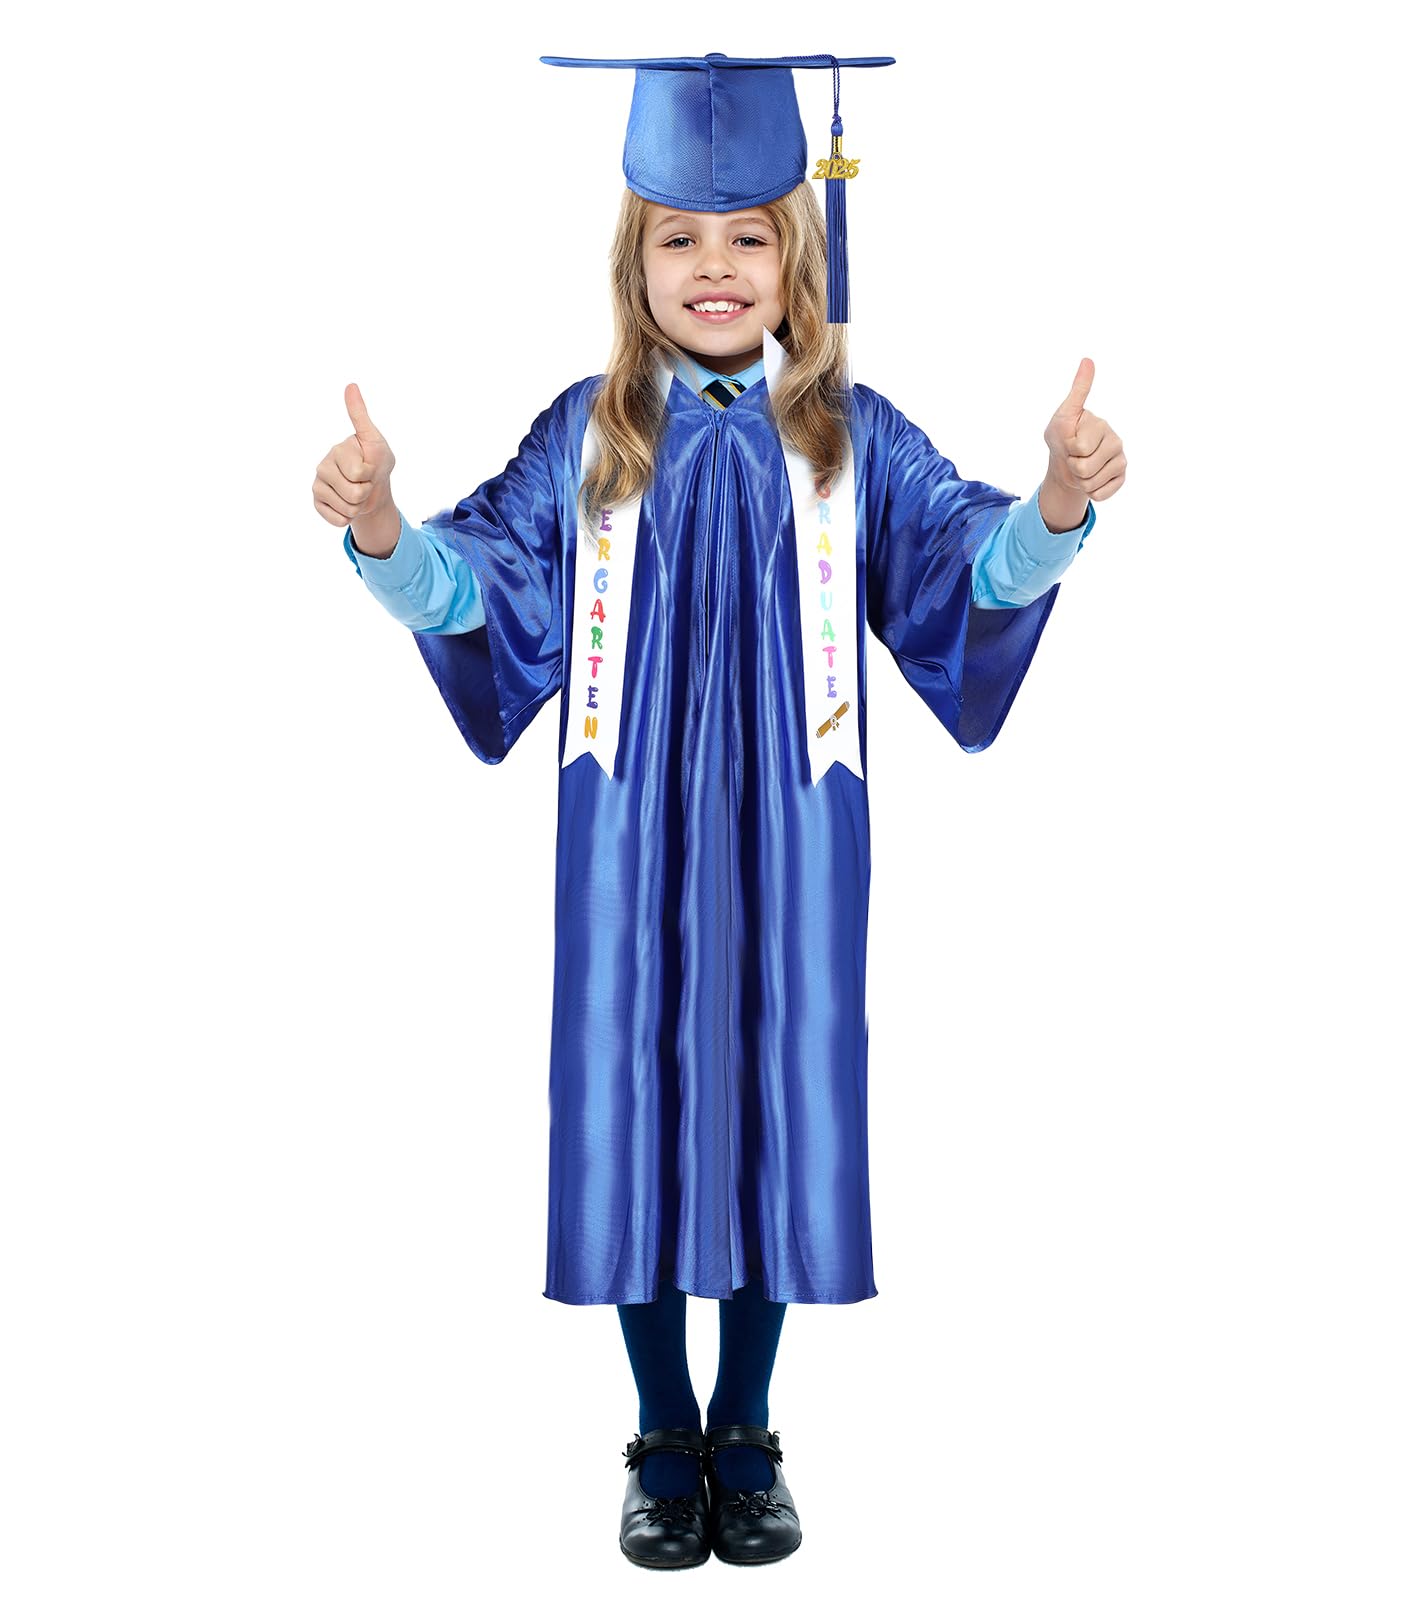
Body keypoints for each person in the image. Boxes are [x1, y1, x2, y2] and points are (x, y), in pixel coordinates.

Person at [310, 52, 1126, 1571]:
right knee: (628, 1094)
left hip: (794, 841)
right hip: (627, 842)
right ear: (634, 264)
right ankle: (658, 1428)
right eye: (679, 237)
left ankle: (745, 1426)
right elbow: (482, 589)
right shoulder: (589, 435)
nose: (715, 265)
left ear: (797, 257)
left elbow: (962, 570)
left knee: (770, 1095)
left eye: (749, 234)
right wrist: (379, 531)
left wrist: (1059, 507)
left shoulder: (850, 437)